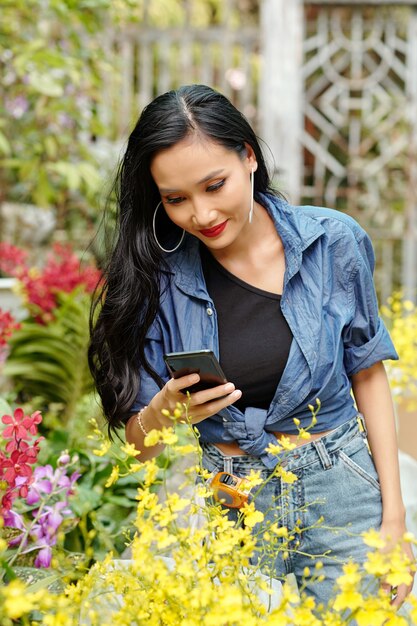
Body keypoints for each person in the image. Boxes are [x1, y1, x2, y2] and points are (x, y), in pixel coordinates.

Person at [88, 84, 415, 607]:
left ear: (249, 157)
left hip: (344, 491)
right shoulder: (156, 281)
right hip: (235, 502)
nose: (201, 213)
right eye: (175, 199)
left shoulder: (333, 242)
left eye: (214, 185)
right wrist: (164, 411)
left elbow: (368, 373)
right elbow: (139, 448)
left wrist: (395, 521)